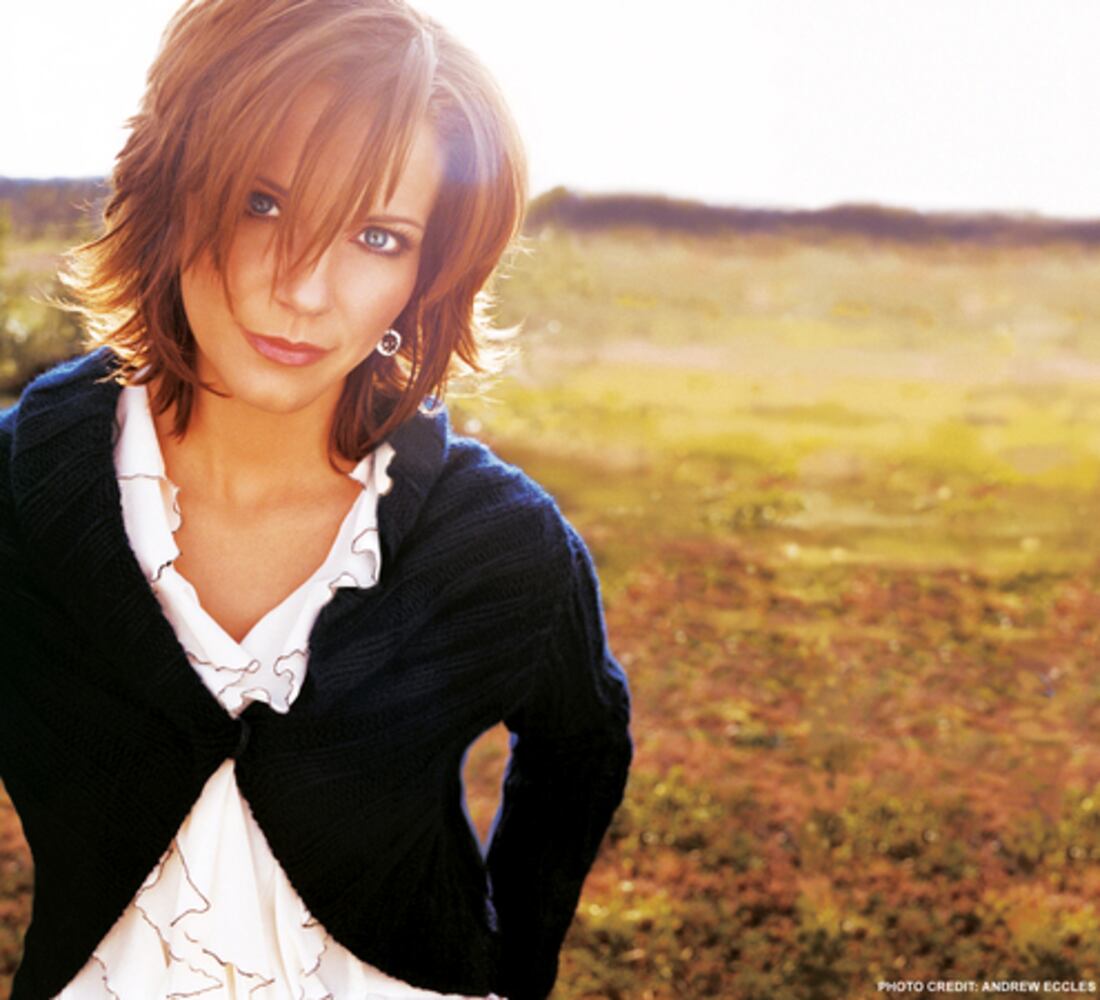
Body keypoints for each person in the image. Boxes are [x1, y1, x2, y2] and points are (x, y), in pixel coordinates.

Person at [0, 1, 633, 997]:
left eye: (378, 237)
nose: (304, 289)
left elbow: (581, 746)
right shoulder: (19, 500)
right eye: (263, 204)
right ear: (172, 185)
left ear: (425, 274)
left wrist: (511, 968)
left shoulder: (499, 544)